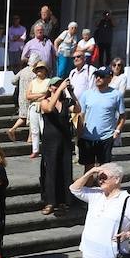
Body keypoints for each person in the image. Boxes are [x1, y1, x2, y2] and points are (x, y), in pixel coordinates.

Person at [39, 77, 77, 215]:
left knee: (65, 170)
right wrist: (60, 89)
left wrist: (71, 93)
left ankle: (64, 201)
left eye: (59, 84)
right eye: (55, 85)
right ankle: (50, 201)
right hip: (50, 141)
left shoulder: (65, 102)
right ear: (50, 88)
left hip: (64, 140)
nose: (58, 87)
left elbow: (77, 109)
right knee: (51, 171)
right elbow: (49, 108)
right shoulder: (44, 101)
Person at [77, 66, 125, 173]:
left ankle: (102, 184)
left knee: (104, 169)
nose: (98, 78)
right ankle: (88, 184)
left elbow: (122, 116)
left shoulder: (116, 95)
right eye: (97, 76)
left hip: (106, 137)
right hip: (87, 137)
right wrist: (79, 133)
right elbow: (81, 115)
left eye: (102, 76)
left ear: (109, 78)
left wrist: (117, 131)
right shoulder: (86, 94)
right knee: (88, 169)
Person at [10, 57, 51, 156]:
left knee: (44, 129)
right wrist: (40, 95)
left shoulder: (48, 81)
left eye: (41, 68)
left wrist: (38, 96)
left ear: (45, 71)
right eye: (38, 69)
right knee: (34, 129)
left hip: (44, 106)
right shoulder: (33, 82)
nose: (39, 70)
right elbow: (28, 96)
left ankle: (47, 149)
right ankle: (35, 150)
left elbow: (48, 94)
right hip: (34, 106)